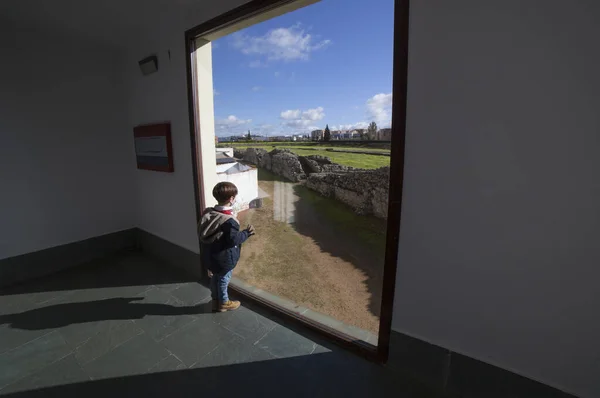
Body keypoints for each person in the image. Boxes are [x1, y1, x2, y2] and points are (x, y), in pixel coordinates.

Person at [198, 182, 255, 312]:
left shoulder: (208, 213)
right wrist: (247, 233)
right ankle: (224, 302)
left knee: (215, 278)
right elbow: (233, 240)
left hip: (210, 256)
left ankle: (215, 301)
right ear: (231, 199)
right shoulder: (229, 221)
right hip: (224, 259)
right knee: (224, 279)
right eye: (234, 197)